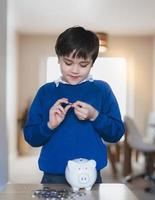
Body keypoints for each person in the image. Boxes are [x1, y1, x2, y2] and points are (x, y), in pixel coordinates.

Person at [24, 26, 125, 184]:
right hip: (53, 175)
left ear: (92, 63)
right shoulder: (46, 92)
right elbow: (31, 137)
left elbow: (117, 133)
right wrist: (50, 125)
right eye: (68, 62)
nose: (75, 70)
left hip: (90, 175)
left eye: (83, 64)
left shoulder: (102, 90)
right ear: (59, 58)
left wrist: (95, 116)